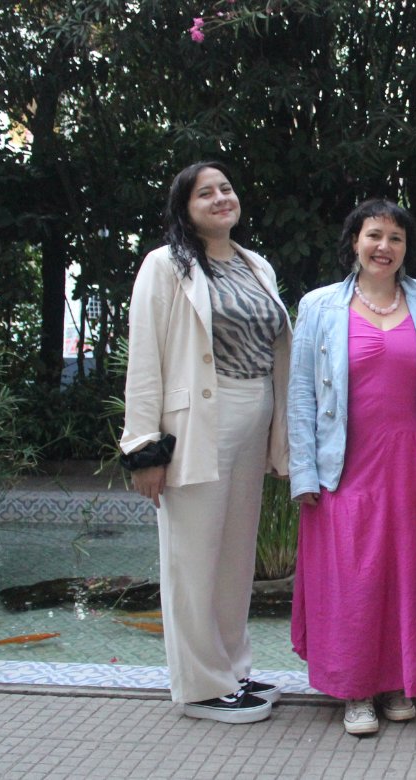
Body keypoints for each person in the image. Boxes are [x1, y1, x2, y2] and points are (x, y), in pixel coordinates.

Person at [287, 199, 416, 736]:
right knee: (353, 576)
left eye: (395, 238)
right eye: (374, 235)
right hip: (344, 465)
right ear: (355, 242)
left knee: (410, 572)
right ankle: (356, 689)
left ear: (406, 248)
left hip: (415, 461)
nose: (383, 246)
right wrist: (302, 473)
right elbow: (300, 393)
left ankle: (399, 681)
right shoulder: (320, 306)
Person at [120, 161, 290, 723]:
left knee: (236, 555)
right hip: (197, 422)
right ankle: (199, 687)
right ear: (184, 208)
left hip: (252, 414)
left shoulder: (255, 264)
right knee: (192, 558)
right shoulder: (166, 266)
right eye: (205, 193)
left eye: (226, 189)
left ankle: (233, 668)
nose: (220, 198)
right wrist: (145, 448)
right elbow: (145, 359)